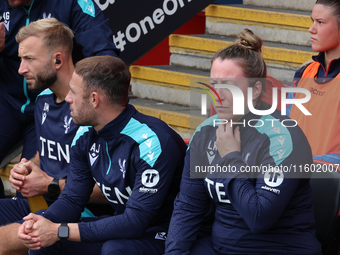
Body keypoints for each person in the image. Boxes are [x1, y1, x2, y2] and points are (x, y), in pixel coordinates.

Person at [164, 29, 322, 255]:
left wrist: (230, 157)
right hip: (220, 247)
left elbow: (259, 217)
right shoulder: (205, 132)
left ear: (256, 89)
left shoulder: (283, 137)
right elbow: (189, 207)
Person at [17, 55, 187, 255]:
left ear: (94, 99)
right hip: (125, 227)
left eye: (73, 92)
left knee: (114, 250)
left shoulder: (152, 142)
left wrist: (60, 230)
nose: (68, 99)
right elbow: (72, 198)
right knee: (44, 241)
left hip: (168, 232)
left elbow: (136, 221)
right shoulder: (85, 133)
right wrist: (44, 222)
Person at [0, 18, 110, 255]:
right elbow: (49, 151)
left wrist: (49, 185)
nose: (20, 69)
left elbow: (113, 188)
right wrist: (28, 166)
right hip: (42, 205)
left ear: (57, 59)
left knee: (4, 242)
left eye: (29, 59)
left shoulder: (93, 108)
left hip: (83, 217)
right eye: (20, 59)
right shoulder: (42, 100)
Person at [0, 0, 119, 197]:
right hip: (7, 100)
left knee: (29, 189)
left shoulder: (72, 3)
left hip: (57, 104)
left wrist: (80, 95)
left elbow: (106, 60)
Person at [289, 0, 340, 163]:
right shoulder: (304, 72)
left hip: (329, 182)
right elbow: (285, 127)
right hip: (294, 180)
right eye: (312, 21)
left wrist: (308, 163)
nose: (311, 29)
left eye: (320, 22)